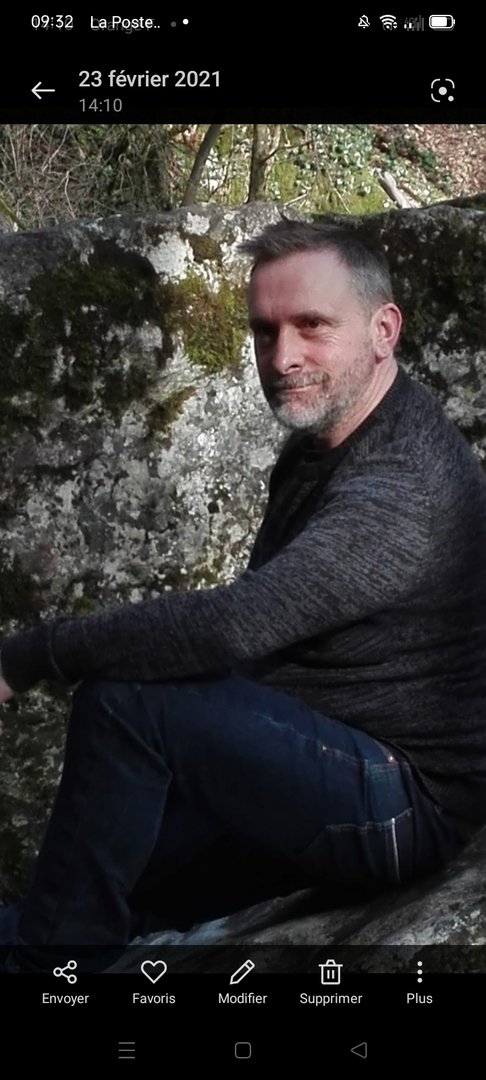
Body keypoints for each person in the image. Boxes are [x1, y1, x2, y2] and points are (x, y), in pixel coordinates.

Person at [1, 217, 485, 974]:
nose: (282, 357)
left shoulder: (401, 486)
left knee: (128, 703)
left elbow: (235, 627)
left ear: (383, 329)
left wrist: (29, 657)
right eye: (264, 331)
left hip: (402, 802)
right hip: (326, 758)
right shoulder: (325, 441)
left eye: (312, 326)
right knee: (93, 883)